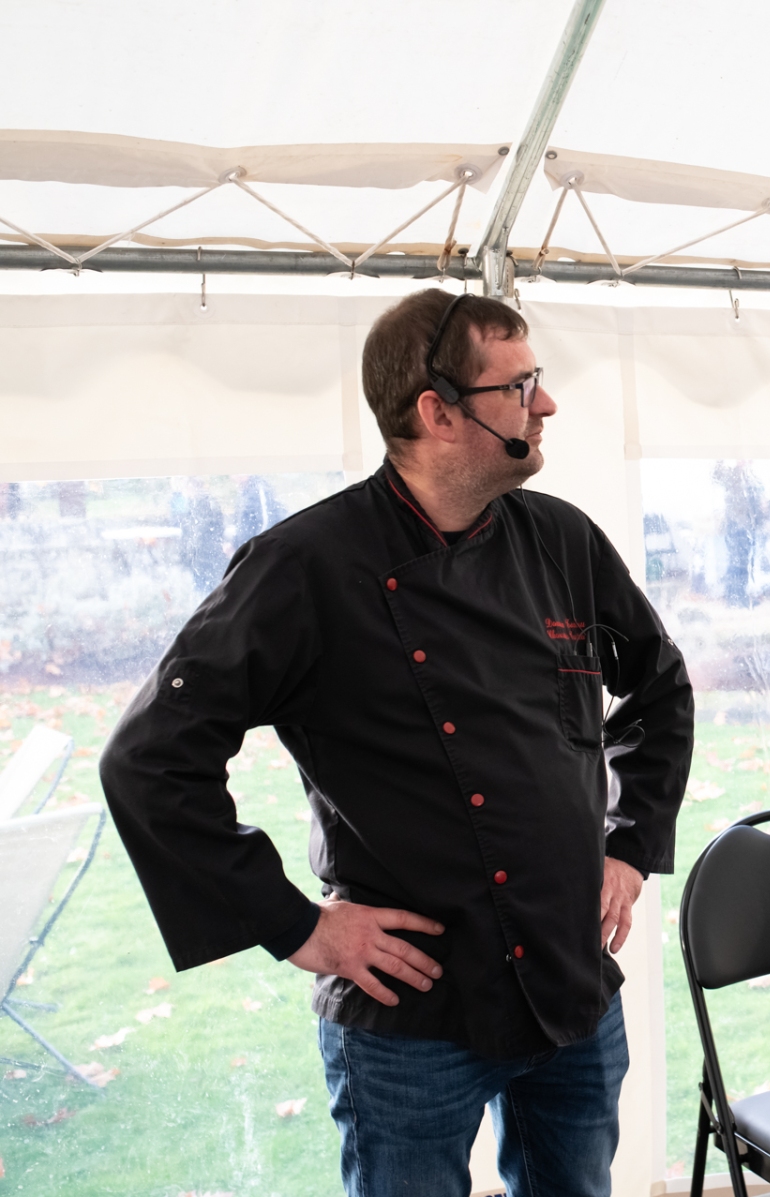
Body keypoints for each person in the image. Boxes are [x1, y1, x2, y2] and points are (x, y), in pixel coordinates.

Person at [99, 290, 694, 1197]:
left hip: (570, 983)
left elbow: (659, 685)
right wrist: (296, 926)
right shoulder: (305, 565)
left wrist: (631, 843)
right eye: (519, 385)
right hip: (413, 1018)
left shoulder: (562, 539)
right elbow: (149, 759)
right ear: (438, 412)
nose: (546, 403)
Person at [713, 459, 761, 607]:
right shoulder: (733, 474)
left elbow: (754, 503)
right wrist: (719, 459)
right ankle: (733, 598)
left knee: (743, 563)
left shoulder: (750, 478)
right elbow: (716, 475)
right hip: (735, 526)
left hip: (746, 527)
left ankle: (740, 597)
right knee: (735, 563)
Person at [172, 478, 228, 592]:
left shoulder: (203, 503)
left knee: (206, 591)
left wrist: (189, 552)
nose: (184, 492)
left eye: (185, 488)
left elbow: (198, 532)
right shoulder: (197, 503)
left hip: (205, 557)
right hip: (203, 556)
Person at [232, 473, 288, 550]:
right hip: (248, 546)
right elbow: (241, 524)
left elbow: (267, 521)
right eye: (234, 474)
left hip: (260, 547)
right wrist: (235, 544)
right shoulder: (243, 492)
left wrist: (256, 548)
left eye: (239, 473)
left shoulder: (259, 489)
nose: (236, 477)